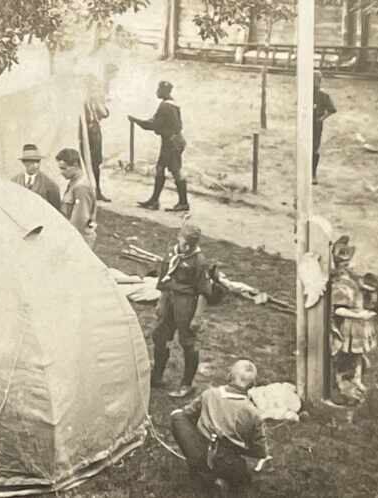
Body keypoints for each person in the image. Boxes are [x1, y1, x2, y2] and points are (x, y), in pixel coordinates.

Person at [169, 360, 271, 498]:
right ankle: (220, 478)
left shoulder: (210, 394)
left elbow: (187, 413)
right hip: (231, 462)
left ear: (229, 376)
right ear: (252, 385)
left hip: (200, 449)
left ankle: (205, 473)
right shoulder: (253, 413)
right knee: (239, 474)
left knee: (177, 416)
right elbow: (260, 450)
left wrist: (207, 419)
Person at [151, 223, 214, 398]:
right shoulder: (173, 253)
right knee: (160, 336)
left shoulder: (199, 261)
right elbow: (165, 279)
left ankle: (187, 384)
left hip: (186, 303)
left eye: (186, 241)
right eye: (182, 238)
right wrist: (161, 303)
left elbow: (203, 292)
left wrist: (197, 317)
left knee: (188, 342)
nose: (182, 242)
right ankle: (157, 376)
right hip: (169, 299)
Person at [329, 236, 378, 405]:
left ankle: (357, 379)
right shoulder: (337, 283)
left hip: (360, 326)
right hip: (349, 325)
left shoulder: (349, 278)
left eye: (348, 261)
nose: (348, 265)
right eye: (344, 263)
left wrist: (365, 288)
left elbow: (357, 287)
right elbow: (338, 309)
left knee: (358, 355)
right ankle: (341, 383)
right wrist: (359, 315)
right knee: (346, 356)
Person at [130, 80, 189, 212]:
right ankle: (155, 200)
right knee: (160, 168)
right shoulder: (172, 104)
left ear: (164, 91)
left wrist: (136, 121)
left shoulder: (165, 106)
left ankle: (183, 203)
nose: (157, 91)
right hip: (172, 142)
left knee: (175, 171)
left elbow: (153, 125)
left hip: (172, 143)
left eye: (159, 89)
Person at [56, 148, 97, 249]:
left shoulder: (81, 187)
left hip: (79, 239)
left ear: (75, 165)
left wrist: (66, 240)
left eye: (64, 168)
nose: (61, 172)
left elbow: (80, 219)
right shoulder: (74, 182)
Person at [81, 75, 112, 202]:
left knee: (91, 161)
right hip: (91, 131)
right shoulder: (89, 100)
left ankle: (93, 190)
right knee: (92, 162)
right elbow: (104, 113)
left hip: (89, 131)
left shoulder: (87, 99)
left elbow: (104, 113)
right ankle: (94, 191)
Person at [10, 144, 61, 211]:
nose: (36, 165)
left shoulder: (50, 185)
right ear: (24, 162)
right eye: (31, 161)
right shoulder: (14, 182)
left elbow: (56, 211)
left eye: (38, 161)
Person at [313, 71, 336, 185]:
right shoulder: (305, 93)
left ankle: (313, 174)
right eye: (312, 79)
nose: (314, 82)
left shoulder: (323, 95)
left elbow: (332, 110)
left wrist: (321, 119)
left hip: (316, 123)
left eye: (316, 80)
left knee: (315, 148)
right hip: (306, 121)